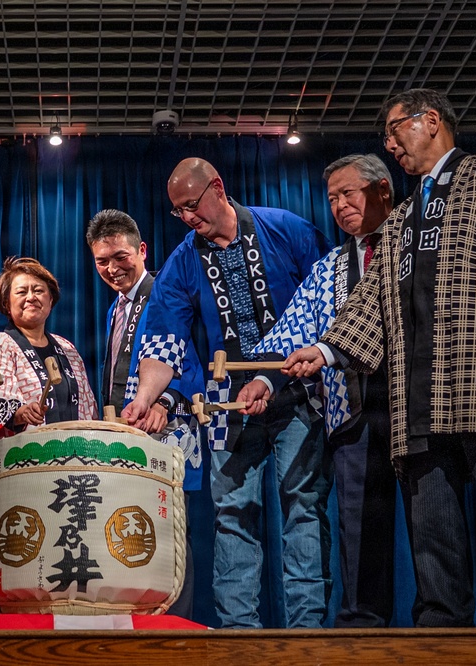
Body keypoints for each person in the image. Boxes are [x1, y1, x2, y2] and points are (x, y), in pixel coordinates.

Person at [283, 89, 476, 627]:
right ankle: (441, 631)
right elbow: (370, 300)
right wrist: (324, 350)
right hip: (417, 398)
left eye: (396, 131)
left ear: (431, 120)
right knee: (432, 529)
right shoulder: (402, 218)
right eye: (387, 138)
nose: (391, 144)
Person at [122, 158, 332, 629]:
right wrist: (146, 396)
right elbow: (164, 339)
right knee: (233, 514)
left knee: (303, 507)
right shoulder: (182, 261)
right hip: (226, 404)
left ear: (217, 188)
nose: (188, 218)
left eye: (192, 206)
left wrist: (282, 374)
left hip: (298, 393)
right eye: (178, 212)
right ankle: (238, 635)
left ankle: (308, 633)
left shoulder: (284, 229)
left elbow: (328, 303)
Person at [251, 154, 403, 627]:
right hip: (352, 409)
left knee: (433, 519)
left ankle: (445, 626)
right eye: (332, 198)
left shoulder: (416, 244)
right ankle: (362, 626)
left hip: (418, 404)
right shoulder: (332, 265)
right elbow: (292, 330)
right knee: (359, 525)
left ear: (382, 190)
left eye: (348, 193)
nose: (339, 205)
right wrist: (264, 377)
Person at [86, 208, 201, 619]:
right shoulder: (115, 308)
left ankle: (175, 625)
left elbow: (193, 356)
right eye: (103, 261)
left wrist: (167, 401)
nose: (113, 268)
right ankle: (138, 624)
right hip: (125, 435)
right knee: (134, 533)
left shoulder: (165, 292)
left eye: (121, 257)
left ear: (142, 251)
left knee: (170, 534)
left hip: (166, 433)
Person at [0, 257, 97, 442]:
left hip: (75, 455)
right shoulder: (1, 347)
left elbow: (88, 408)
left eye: (39, 290)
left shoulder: (67, 348)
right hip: (26, 456)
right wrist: (20, 413)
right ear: (7, 304)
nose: (31, 297)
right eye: (21, 292)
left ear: (50, 300)